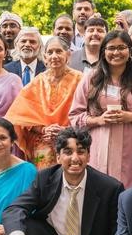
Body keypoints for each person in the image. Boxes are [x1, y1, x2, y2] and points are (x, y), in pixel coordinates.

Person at [69, 30, 132, 187]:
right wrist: (98, 120)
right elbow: (74, 116)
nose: (116, 52)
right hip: (97, 150)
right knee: (99, 195)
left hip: (130, 151)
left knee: (127, 196)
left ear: (130, 51)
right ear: (103, 52)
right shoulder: (91, 79)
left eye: (121, 47)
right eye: (111, 48)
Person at [6, 36, 83, 169]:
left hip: (73, 136)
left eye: (58, 51)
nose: (54, 56)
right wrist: (44, 129)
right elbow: (20, 117)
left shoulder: (80, 79)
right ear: (45, 57)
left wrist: (64, 130)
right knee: (45, 173)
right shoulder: (38, 81)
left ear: (68, 54)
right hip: (44, 139)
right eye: (50, 52)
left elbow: (86, 113)